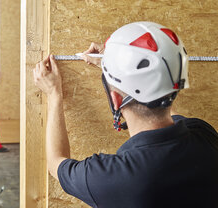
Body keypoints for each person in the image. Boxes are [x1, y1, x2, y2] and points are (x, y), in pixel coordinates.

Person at [33, 22, 218, 208]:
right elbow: (167, 105)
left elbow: (56, 162)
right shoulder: (205, 136)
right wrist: (115, 68)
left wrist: (54, 93)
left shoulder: (112, 177)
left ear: (116, 100)